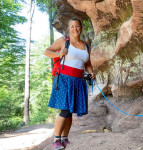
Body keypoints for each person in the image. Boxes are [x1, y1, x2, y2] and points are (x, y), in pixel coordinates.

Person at [44, 17, 94, 150]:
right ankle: (56, 140)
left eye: (77, 26)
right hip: (65, 80)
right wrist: (59, 53)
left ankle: (65, 139)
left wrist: (91, 72)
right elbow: (47, 51)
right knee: (65, 110)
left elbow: (87, 63)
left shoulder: (86, 45)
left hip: (78, 82)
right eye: (72, 26)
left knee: (70, 111)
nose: (75, 29)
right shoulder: (63, 41)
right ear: (69, 29)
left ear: (81, 28)